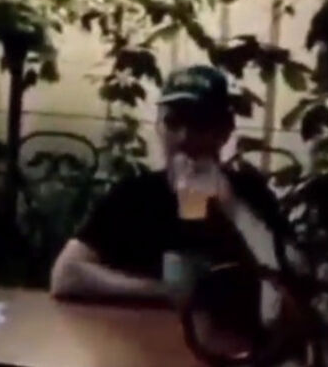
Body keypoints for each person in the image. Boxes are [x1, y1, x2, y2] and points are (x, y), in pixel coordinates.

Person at [50, 65, 285, 328]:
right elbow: (66, 276)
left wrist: (233, 208)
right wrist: (163, 292)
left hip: (228, 343)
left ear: (224, 131)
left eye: (198, 124)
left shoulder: (249, 193)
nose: (184, 137)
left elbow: (289, 287)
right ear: (159, 127)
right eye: (173, 123)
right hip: (143, 340)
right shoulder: (135, 195)